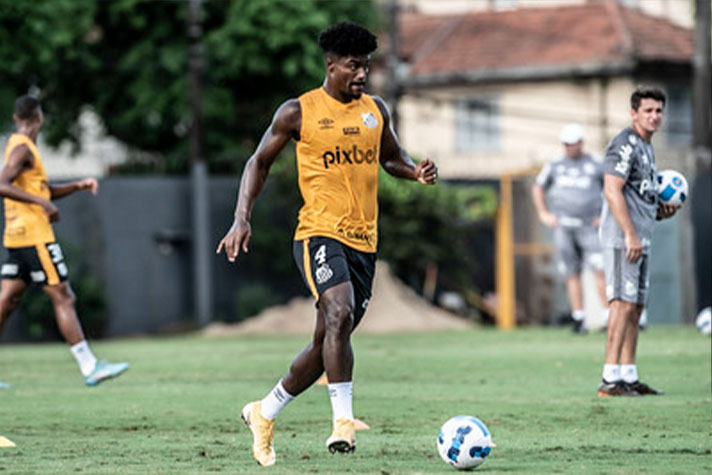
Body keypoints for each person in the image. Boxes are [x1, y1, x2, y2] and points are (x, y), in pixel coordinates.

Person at [217, 22, 437, 466]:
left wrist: (413, 171)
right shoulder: (298, 112)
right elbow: (257, 163)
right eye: (354, 67)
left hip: (364, 243)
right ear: (331, 65)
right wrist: (242, 218)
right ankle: (343, 423)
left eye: (367, 67)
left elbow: (391, 156)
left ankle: (264, 412)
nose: (362, 75)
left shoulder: (375, 111)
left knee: (326, 344)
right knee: (339, 311)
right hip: (318, 232)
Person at [0, 95, 129, 387]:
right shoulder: (23, 148)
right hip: (35, 236)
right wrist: (42, 205)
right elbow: (2, 184)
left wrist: (77, 185)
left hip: (15, 236)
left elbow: (40, 191)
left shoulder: (15, 146)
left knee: (7, 299)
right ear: (38, 117)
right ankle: (89, 366)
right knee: (63, 295)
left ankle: (89, 365)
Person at [596, 86, 678, 397]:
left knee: (636, 306)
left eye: (658, 111)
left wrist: (660, 212)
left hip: (641, 236)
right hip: (622, 238)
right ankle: (609, 378)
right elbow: (612, 190)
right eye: (648, 111)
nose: (655, 116)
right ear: (634, 113)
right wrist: (629, 233)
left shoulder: (647, 147)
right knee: (621, 303)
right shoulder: (625, 144)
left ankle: (628, 375)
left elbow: (638, 195)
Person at [532, 123, 608, 333]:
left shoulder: (596, 164)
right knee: (570, 272)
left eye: (573, 144)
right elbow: (538, 187)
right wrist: (543, 213)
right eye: (566, 144)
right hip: (564, 227)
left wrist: (604, 215)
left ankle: (607, 317)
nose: (570, 148)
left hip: (589, 227)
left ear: (581, 143)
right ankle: (578, 317)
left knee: (600, 269)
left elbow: (612, 189)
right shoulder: (555, 165)